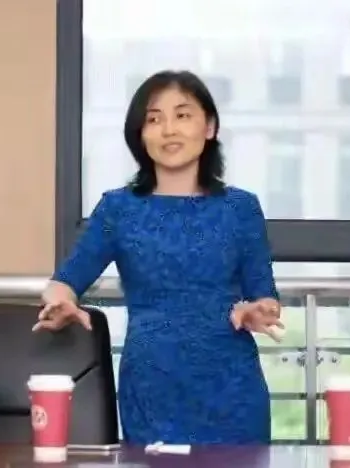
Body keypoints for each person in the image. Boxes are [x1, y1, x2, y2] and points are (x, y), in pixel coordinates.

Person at [34, 70, 283, 445]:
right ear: (140, 134)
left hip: (232, 388)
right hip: (152, 387)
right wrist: (60, 303)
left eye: (182, 115)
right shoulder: (118, 208)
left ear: (210, 127)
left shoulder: (241, 208)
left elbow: (265, 295)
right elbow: (64, 283)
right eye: (154, 119)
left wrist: (256, 311)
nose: (169, 130)